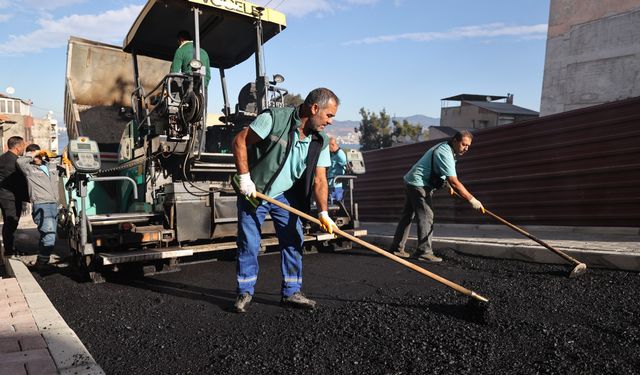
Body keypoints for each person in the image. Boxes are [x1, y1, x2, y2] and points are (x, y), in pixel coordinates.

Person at [232, 88, 339, 313]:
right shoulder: (274, 119)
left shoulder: (320, 141)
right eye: (329, 115)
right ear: (314, 108)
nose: (330, 122)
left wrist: (323, 213)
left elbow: (320, 179)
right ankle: (245, 291)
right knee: (249, 243)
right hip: (256, 191)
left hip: (282, 194)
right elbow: (239, 141)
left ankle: (292, 292)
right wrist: (245, 179)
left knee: (293, 237)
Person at [389, 130, 484, 263]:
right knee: (427, 216)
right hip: (418, 184)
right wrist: (471, 199)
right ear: (455, 140)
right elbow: (454, 181)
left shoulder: (447, 148)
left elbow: (440, 171)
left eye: (468, 146)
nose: (466, 148)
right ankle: (424, 252)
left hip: (412, 181)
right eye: (464, 144)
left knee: (407, 216)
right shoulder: (445, 152)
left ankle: (396, 248)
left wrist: (447, 185)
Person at [17, 144, 60, 270]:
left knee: (46, 236)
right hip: (41, 205)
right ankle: (42, 265)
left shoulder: (50, 166)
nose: (40, 155)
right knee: (49, 236)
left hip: (54, 205)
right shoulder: (29, 168)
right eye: (37, 153)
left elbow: (61, 161)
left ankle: (41, 262)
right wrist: (33, 154)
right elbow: (20, 161)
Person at [0, 136, 27, 258]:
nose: (24, 148)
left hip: (4, 196)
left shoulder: (3, 158)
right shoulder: (14, 162)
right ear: (18, 147)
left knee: (9, 223)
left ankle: (10, 248)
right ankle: (9, 250)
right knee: (11, 223)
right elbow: (18, 183)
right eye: (23, 146)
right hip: (10, 197)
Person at [327, 137, 348, 204]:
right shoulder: (333, 154)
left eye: (328, 146)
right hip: (330, 184)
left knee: (337, 204)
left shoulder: (340, 154)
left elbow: (347, 167)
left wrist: (342, 178)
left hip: (337, 186)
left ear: (332, 145)